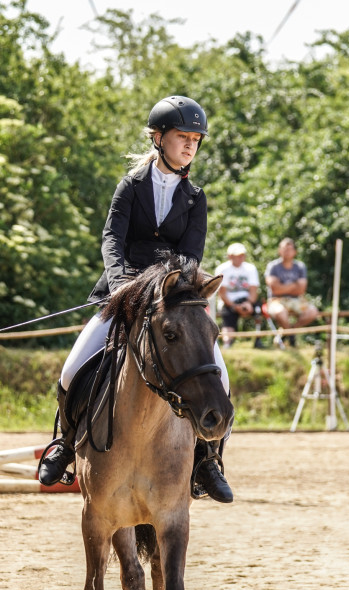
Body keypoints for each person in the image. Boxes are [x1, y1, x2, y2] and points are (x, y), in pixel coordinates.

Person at [38, 95, 233, 503]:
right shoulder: (130, 187)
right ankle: (63, 442)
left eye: (196, 140)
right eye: (183, 137)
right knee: (74, 365)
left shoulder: (196, 198)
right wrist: (118, 281)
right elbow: (112, 238)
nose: (190, 146)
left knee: (218, 374)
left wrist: (172, 284)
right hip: (123, 290)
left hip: (170, 295)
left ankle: (207, 458)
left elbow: (191, 254)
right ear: (159, 138)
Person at [264, 237, 318, 346]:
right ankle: (291, 335)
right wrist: (294, 285)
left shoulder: (300, 266)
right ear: (279, 250)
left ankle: (289, 332)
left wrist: (282, 287)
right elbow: (275, 289)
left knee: (313, 312)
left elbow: (301, 290)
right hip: (276, 300)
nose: (286, 252)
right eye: (284, 249)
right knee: (280, 312)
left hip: (297, 300)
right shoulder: (273, 267)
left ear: (295, 252)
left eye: (289, 249)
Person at [215, 243, 263, 349]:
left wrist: (249, 303)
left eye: (243, 255)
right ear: (230, 256)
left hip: (247, 300)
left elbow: (254, 290)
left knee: (259, 310)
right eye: (238, 255)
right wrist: (234, 306)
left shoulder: (250, 268)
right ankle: (228, 342)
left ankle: (258, 339)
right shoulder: (222, 269)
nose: (241, 258)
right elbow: (222, 293)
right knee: (228, 314)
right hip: (228, 302)